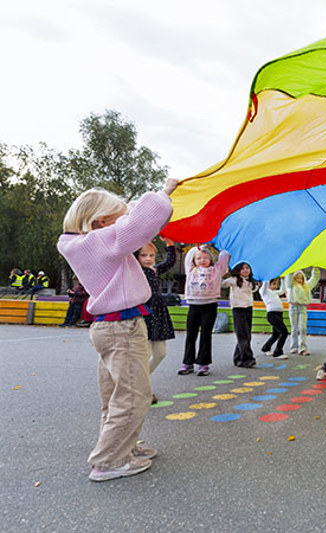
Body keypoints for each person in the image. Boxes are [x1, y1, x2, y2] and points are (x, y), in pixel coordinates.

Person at [57, 177, 177, 482]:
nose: (121, 223)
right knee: (135, 394)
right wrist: (164, 191)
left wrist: (131, 209)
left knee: (115, 396)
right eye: (115, 219)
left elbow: (130, 219)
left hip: (110, 327)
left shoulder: (86, 242)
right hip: (121, 327)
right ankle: (109, 461)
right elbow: (139, 222)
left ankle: (124, 447)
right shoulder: (99, 242)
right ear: (100, 222)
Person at [135, 237, 177, 403]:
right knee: (145, 354)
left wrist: (170, 245)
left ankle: (138, 383)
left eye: (151, 256)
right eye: (143, 255)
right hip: (143, 314)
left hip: (158, 314)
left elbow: (169, 263)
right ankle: (144, 390)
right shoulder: (134, 272)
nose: (148, 259)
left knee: (160, 353)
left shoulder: (153, 271)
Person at [180, 244, 230, 376]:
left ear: (211, 260)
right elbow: (191, 253)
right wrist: (202, 244)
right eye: (199, 258)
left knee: (205, 335)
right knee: (191, 335)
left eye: (205, 258)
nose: (202, 260)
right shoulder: (190, 270)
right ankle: (187, 363)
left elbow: (224, 257)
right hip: (194, 306)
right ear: (194, 261)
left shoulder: (216, 270)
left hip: (210, 305)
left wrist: (219, 244)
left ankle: (203, 364)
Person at [222, 262, 260, 369]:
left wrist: (259, 285)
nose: (245, 270)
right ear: (238, 270)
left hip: (248, 308)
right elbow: (222, 284)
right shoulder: (233, 280)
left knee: (246, 334)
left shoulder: (250, 281)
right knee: (242, 334)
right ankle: (247, 359)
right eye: (243, 268)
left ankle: (238, 358)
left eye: (248, 268)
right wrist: (222, 274)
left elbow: (253, 290)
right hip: (238, 309)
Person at [285, 268, 319, 355]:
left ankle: (302, 348)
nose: (299, 280)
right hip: (293, 307)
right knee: (294, 328)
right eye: (297, 278)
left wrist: (315, 269)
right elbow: (288, 277)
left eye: (301, 278)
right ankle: (294, 347)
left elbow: (314, 279)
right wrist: (292, 267)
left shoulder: (306, 286)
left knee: (302, 328)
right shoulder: (291, 285)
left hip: (302, 308)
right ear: (294, 279)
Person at [259, 278, 289, 360]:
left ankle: (266, 348)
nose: (275, 286)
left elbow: (283, 290)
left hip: (279, 314)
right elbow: (265, 284)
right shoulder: (264, 291)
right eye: (274, 284)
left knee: (276, 334)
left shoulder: (274, 293)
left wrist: (283, 280)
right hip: (272, 314)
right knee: (284, 332)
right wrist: (268, 277)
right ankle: (278, 352)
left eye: (276, 284)